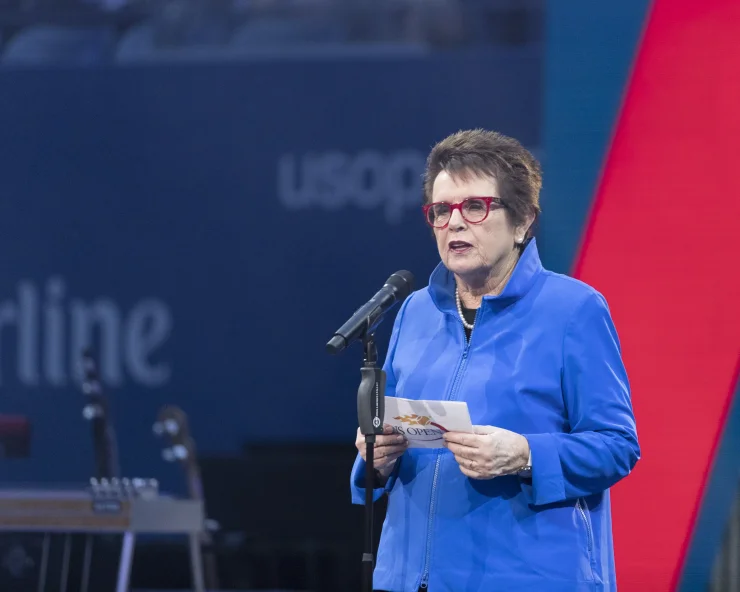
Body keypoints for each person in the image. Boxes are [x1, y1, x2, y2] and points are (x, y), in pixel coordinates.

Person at [349, 129, 640, 592]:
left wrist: (525, 455)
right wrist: (375, 456)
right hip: (409, 578)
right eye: (441, 211)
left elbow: (617, 445)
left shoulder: (573, 310)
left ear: (523, 221)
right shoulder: (416, 310)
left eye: (475, 207)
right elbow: (397, 430)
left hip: (528, 576)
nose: (455, 223)